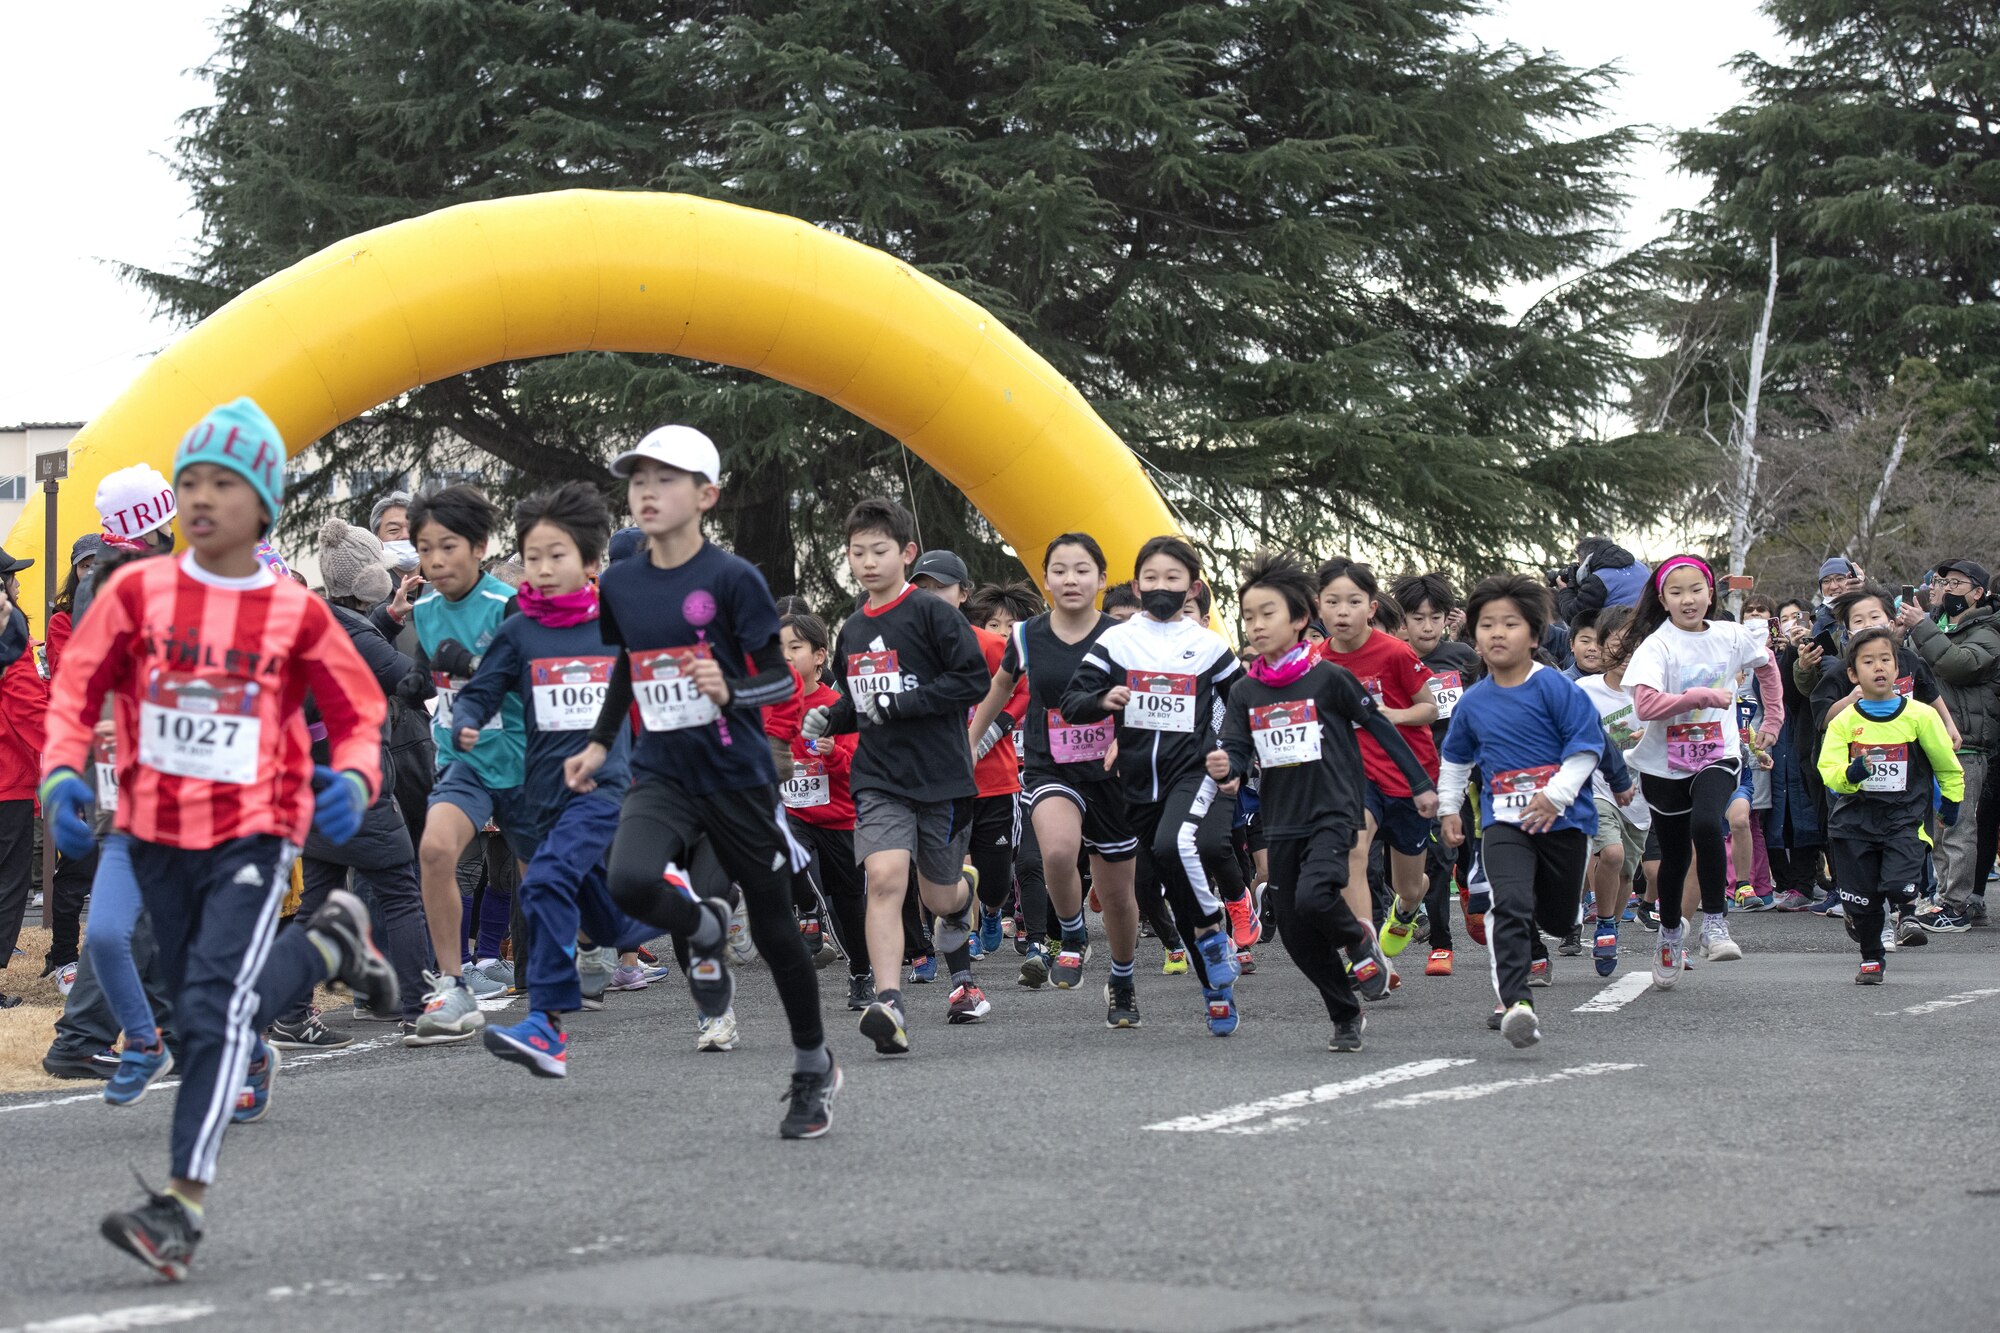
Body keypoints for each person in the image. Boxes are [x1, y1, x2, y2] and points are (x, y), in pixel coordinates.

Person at [40, 397, 398, 1279]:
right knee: (214, 1000)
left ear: (262, 506)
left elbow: (360, 707)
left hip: (254, 831)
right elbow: (78, 692)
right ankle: (329, 943)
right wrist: (59, 772)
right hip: (157, 833)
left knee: (206, 1010)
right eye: (191, 481)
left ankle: (178, 1210)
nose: (204, 499)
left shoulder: (293, 612)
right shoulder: (135, 594)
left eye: (225, 485)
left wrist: (355, 776)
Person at [568, 425, 837, 1136]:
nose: (647, 491)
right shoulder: (621, 581)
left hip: (736, 775)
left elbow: (778, 677)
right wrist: (599, 743)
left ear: (706, 494)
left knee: (778, 928)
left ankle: (813, 1063)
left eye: (666, 478)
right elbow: (630, 664)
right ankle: (705, 922)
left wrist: (731, 689)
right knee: (627, 880)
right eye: (638, 479)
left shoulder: (733, 579)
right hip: (661, 770)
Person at [449, 483, 657, 1076]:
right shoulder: (519, 632)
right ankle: (681, 911)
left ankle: (547, 1025)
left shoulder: (621, 626)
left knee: (541, 885)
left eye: (557, 555)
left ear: (592, 564)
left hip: (605, 787)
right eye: (532, 556)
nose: (541, 568)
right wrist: (466, 721)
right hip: (542, 795)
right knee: (603, 917)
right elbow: (484, 690)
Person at [1213, 553, 1434, 1052]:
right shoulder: (1247, 690)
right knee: (1294, 932)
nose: (1256, 624)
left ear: (1297, 619)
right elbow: (1237, 747)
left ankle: (1360, 940)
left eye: (1267, 613)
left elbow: (1381, 727)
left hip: (1335, 809)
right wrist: (1226, 769)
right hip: (1282, 818)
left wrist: (1420, 785)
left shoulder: (1328, 678)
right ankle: (1344, 1011)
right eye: (1247, 616)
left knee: (1316, 897)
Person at [802, 497, 991, 1051]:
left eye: (879, 550)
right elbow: (858, 700)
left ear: (905, 553)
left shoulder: (934, 614)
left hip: (941, 778)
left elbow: (973, 681)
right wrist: (829, 714)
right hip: (878, 776)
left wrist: (901, 706)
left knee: (937, 898)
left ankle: (962, 893)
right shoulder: (854, 627)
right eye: (857, 552)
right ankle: (889, 1002)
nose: (867, 561)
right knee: (884, 879)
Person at [1060, 535, 1246, 1034]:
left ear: (1192, 586)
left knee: (1175, 842)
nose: (1161, 587)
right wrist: (1104, 699)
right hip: (1136, 782)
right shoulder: (1117, 641)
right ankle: (1216, 988)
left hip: (1193, 771)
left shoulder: (1209, 646)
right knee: (1169, 881)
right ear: (1137, 584)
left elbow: (1244, 702)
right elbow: (1071, 702)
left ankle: (1216, 936)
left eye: (1172, 578)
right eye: (1151, 578)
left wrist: (1234, 757)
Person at [266, 519, 435, 1048]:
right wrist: (431, 634)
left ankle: (290, 1013)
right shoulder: (337, 626)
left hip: (309, 780)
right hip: (356, 779)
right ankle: (420, 1009)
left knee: (317, 904)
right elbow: (412, 681)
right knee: (402, 894)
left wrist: (386, 619)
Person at [971, 534, 1142, 1005]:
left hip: (1110, 774)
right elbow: (1000, 690)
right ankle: (1071, 937)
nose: (1071, 579)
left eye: (1082, 569)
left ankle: (1123, 979)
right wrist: (968, 747)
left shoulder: (1123, 636)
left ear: (1102, 579)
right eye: (1060, 570)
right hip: (1051, 767)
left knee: (1118, 896)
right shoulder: (1027, 635)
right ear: (1045, 579)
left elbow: (1145, 699)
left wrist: (1128, 742)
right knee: (1058, 852)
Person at [1438, 574, 1605, 1048]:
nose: (1496, 633)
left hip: (1564, 821)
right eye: (1486, 624)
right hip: (1504, 823)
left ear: (1533, 635)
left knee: (1554, 917)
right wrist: (1449, 809)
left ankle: (1553, 923)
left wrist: (1556, 793)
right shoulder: (1472, 703)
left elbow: (1585, 748)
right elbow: (1455, 760)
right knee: (1507, 903)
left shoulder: (1554, 687)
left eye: (1509, 623)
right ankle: (1516, 1003)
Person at [402, 485, 533, 1044]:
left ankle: (578, 955)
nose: (435, 561)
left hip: (526, 763)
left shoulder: (510, 606)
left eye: (448, 547)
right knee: (435, 850)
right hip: (465, 763)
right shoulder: (425, 611)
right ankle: (455, 986)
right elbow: (425, 681)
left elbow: (536, 682)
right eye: (425, 548)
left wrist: (475, 665)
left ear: (479, 546)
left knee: (543, 879)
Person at [1614, 555, 1782, 986]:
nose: (1688, 600)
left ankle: (1715, 925)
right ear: (1663, 598)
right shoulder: (1658, 645)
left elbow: (1766, 667)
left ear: (1711, 593)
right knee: (1672, 858)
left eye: (1696, 590)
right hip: (1663, 764)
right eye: (1676, 592)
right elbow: (1646, 705)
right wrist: (1699, 696)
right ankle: (1670, 932)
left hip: (1718, 753)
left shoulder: (1731, 635)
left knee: (1708, 823)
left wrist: (1773, 720)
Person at [1314, 558, 1441, 974]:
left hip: (1409, 777)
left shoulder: (1395, 652)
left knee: (1409, 885)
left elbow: (1430, 708)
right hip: (1354, 777)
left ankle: (1405, 913)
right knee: (1353, 848)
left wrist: (1390, 716)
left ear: (1371, 607)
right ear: (1319, 607)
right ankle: (1364, 951)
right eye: (1332, 601)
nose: (1342, 611)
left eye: (1353, 601)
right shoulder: (1315, 661)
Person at [1816, 627, 1964, 983]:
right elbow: (1828, 771)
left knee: (1899, 887)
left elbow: (1946, 762)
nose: (1878, 667)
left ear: (1897, 668)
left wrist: (1952, 802)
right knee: (1862, 900)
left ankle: (1894, 908)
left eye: (1886, 660)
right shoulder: (1845, 722)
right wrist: (1850, 772)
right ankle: (1871, 958)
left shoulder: (1920, 716)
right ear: (1853, 674)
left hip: (1904, 820)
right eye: (1868, 662)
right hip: (1854, 823)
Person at [908, 552, 1030, 961]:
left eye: (941, 588)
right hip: (941, 787)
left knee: (995, 882)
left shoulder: (992, 644)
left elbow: (1024, 688)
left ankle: (993, 912)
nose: (932, 596)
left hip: (995, 780)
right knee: (951, 872)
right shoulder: (910, 649)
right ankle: (963, 948)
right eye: (922, 589)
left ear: (964, 593)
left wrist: (991, 732)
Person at [1901, 560, 2000, 933]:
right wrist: (1903, 635)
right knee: (1937, 827)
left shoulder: (1989, 629)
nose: (1946, 588)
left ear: (1978, 593)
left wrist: (1921, 626)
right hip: (1928, 739)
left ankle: (1957, 904)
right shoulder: (1934, 626)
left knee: (1958, 826)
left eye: (1957, 583)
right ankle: (1945, 896)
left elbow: (1958, 664)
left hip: (1968, 742)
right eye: (1942, 581)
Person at [779, 611, 870, 1011]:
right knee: (787, 856)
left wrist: (835, 755)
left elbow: (860, 766)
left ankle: (862, 974)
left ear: (819, 656)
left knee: (849, 903)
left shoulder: (838, 705)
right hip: (793, 813)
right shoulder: (770, 703)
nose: (785, 656)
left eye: (794, 648)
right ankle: (809, 910)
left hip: (839, 817)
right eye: (778, 648)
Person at [1390, 572, 1480, 977]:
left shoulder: (1463, 656)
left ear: (1447, 618)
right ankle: (1427, 928)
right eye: (1417, 618)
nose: (1427, 627)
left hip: (1458, 769)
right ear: (1403, 621)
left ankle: (1457, 909)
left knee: (1455, 848)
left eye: (1435, 617)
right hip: (1407, 771)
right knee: (1424, 857)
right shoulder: (1392, 658)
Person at [1574, 605, 1650, 977]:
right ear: (1604, 649)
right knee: (1613, 854)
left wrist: (1650, 737)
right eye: (1619, 647)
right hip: (1598, 788)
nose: (1627, 657)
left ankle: (1613, 927)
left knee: (1625, 874)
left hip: (1642, 796)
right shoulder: (1584, 691)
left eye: (1636, 647)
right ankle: (1604, 923)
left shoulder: (1654, 693)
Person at [0, 548, 46, 1007]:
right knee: (10, 884)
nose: (17, 584)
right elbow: (28, 709)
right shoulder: (12, 643)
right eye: (11, 576)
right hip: (7, 778)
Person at [1554, 537, 1650, 624]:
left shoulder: (1598, 579)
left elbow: (1574, 618)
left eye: (1579, 563)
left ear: (1586, 560)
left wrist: (1565, 590)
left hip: (1623, 633)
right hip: (1651, 624)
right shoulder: (1641, 566)